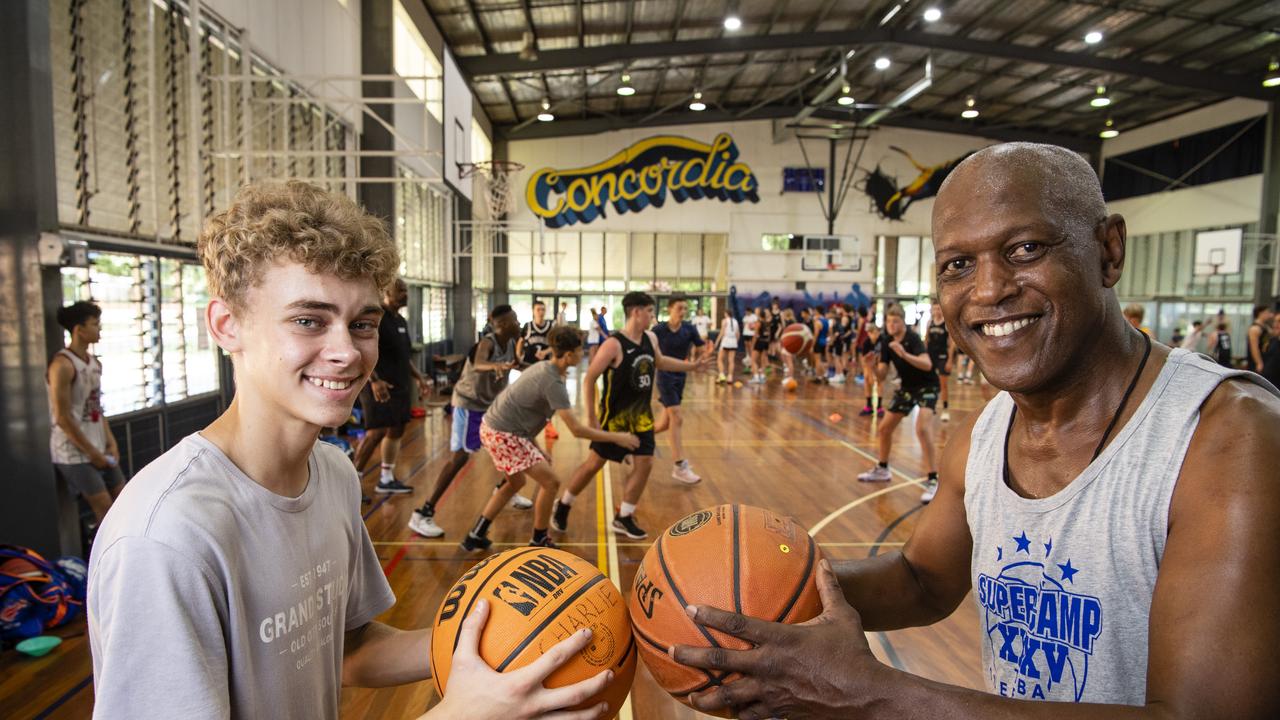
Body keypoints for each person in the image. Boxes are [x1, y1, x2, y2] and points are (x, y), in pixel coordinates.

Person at [667, 143, 1280, 719]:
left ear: (1109, 251)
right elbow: (922, 581)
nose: (989, 290)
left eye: (1025, 249)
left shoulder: (1229, 440)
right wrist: (750, 593)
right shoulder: (987, 430)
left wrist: (875, 698)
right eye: (959, 265)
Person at [87, 181, 611, 720]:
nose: (346, 352)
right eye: (308, 320)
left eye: (362, 324)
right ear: (227, 326)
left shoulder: (333, 473)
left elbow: (348, 651)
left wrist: (510, 642)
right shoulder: (165, 538)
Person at [461, 327, 639, 552]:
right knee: (551, 482)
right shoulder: (552, 381)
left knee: (515, 482)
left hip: (496, 428)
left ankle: (475, 535)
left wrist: (536, 448)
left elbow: (525, 414)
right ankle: (538, 538)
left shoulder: (545, 369)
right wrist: (618, 438)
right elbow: (576, 430)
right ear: (568, 355)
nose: (581, 354)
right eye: (578, 350)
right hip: (503, 433)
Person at [551, 292, 711, 540]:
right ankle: (564, 504)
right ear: (636, 312)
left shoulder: (650, 338)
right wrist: (593, 419)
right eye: (648, 310)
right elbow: (590, 377)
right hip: (615, 419)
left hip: (642, 417)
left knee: (645, 462)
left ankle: (624, 516)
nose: (652, 315)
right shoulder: (613, 344)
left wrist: (692, 366)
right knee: (594, 463)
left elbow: (660, 362)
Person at [407, 306, 528, 539]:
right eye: (514, 320)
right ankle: (423, 513)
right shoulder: (487, 344)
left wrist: (542, 369)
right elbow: (481, 363)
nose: (518, 323)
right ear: (501, 325)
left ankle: (506, 489)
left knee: (507, 445)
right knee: (459, 458)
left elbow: (516, 364)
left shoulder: (512, 342)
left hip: (491, 406)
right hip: (469, 405)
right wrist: (497, 366)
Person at [48, 300, 124, 523]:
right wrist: (92, 453)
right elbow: (62, 418)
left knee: (123, 501)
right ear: (79, 330)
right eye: (94, 324)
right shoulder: (62, 365)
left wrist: (111, 443)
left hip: (99, 448)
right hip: (73, 453)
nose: (99, 329)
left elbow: (96, 408)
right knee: (105, 511)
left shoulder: (94, 364)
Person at [352, 278, 430, 495]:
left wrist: (419, 377)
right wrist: (374, 380)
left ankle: (386, 478)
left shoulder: (401, 321)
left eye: (406, 290)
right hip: (379, 386)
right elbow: (361, 351)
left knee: (397, 428)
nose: (406, 294)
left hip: (399, 385)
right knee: (375, 432)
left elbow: (404, 357)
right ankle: (351, 483)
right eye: (401, 290)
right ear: (387, 292)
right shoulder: (377, 317)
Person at [856, 304, 940, 504]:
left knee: (922, 429)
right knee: (884, 429)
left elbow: (927, 364)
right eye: (888, 321)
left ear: (903, 322)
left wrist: (903, 354)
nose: (891, 325)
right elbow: (882, 375)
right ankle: (883, 469)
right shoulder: (886, 341)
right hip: (907, 388)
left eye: (895, 321)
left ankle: (933, 479)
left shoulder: (912, 338)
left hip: (927, 386)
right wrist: (872, 366)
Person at [652, 296, 707, 483]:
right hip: (664, 376)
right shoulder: (658, 330)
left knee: (663, 425)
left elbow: (702, 347)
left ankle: (633, 441)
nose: (683, 312)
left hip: (681, 376)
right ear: (669, 309)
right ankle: (679, 466)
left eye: (685, 308)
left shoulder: (689, 329)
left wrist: (705, 355)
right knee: (677, 416)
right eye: (679, 308)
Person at [515, 299, 558, 439]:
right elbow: (520, 342)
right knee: (526, 395)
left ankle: (548, 426)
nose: (540, 312)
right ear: (533, 311)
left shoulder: (551, 326)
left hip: (545, 367)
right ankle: (522, 424)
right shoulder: (528, 326)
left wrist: (545, 353)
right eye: (538, 309)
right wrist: (518, 357)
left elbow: (557, 344)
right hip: (528, 365)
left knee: (546, 396)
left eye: (543, 309)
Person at [926, 302, 955, 422]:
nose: (937, 311)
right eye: (934, 309)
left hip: (943, 356)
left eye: (938, 309)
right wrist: (924, 355)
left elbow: (952, 344)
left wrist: (950, 360)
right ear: (932, 311)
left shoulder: (947, 324)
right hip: (931, 356)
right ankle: (930, 406)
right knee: (931, 383)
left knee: (943, 384)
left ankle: (945, 409)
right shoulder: (929, 323)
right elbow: (926, 339)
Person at [1247, 304, 1274, 374]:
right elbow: (1254, 347)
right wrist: (1259, 363)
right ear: (1261, 313)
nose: (1269, 315)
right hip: (1257, 362)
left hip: (1266, 359)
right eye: (1267, 313)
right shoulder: (1255, 328)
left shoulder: (1266, 327)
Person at [715, 307, 740, 384]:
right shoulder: (735, 321)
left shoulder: (724, 321)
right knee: (731, 360)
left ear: (726, 313)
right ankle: (730, 377)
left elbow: (722, 332)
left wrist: (717, 341)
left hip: (726, 341)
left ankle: (722, 375)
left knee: (719, 359)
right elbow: (738, 334)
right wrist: (736, 342)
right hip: (733, 341)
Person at [750, 308, 772, 384]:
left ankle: (756, 377)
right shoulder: (767, 323)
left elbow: (755, 335)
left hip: (759, 342)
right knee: (762, 361)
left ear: (759, 315)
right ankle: (762, 376)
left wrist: (752, 345)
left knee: (753, 360)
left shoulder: (758, 322)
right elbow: (769, 335)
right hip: (766, 342)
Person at [741, 306, 758, 376]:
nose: (746, 312)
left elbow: (756, 325)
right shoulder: (745, 317)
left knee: (751, 345)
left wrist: (752, 327)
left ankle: (752, 357)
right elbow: (744, 324)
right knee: (746, 344)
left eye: (747, 311)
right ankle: (747, 355)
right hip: (745, 333)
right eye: (745, 311)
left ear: (750, 311)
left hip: (751, 333)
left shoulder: (754, 317)